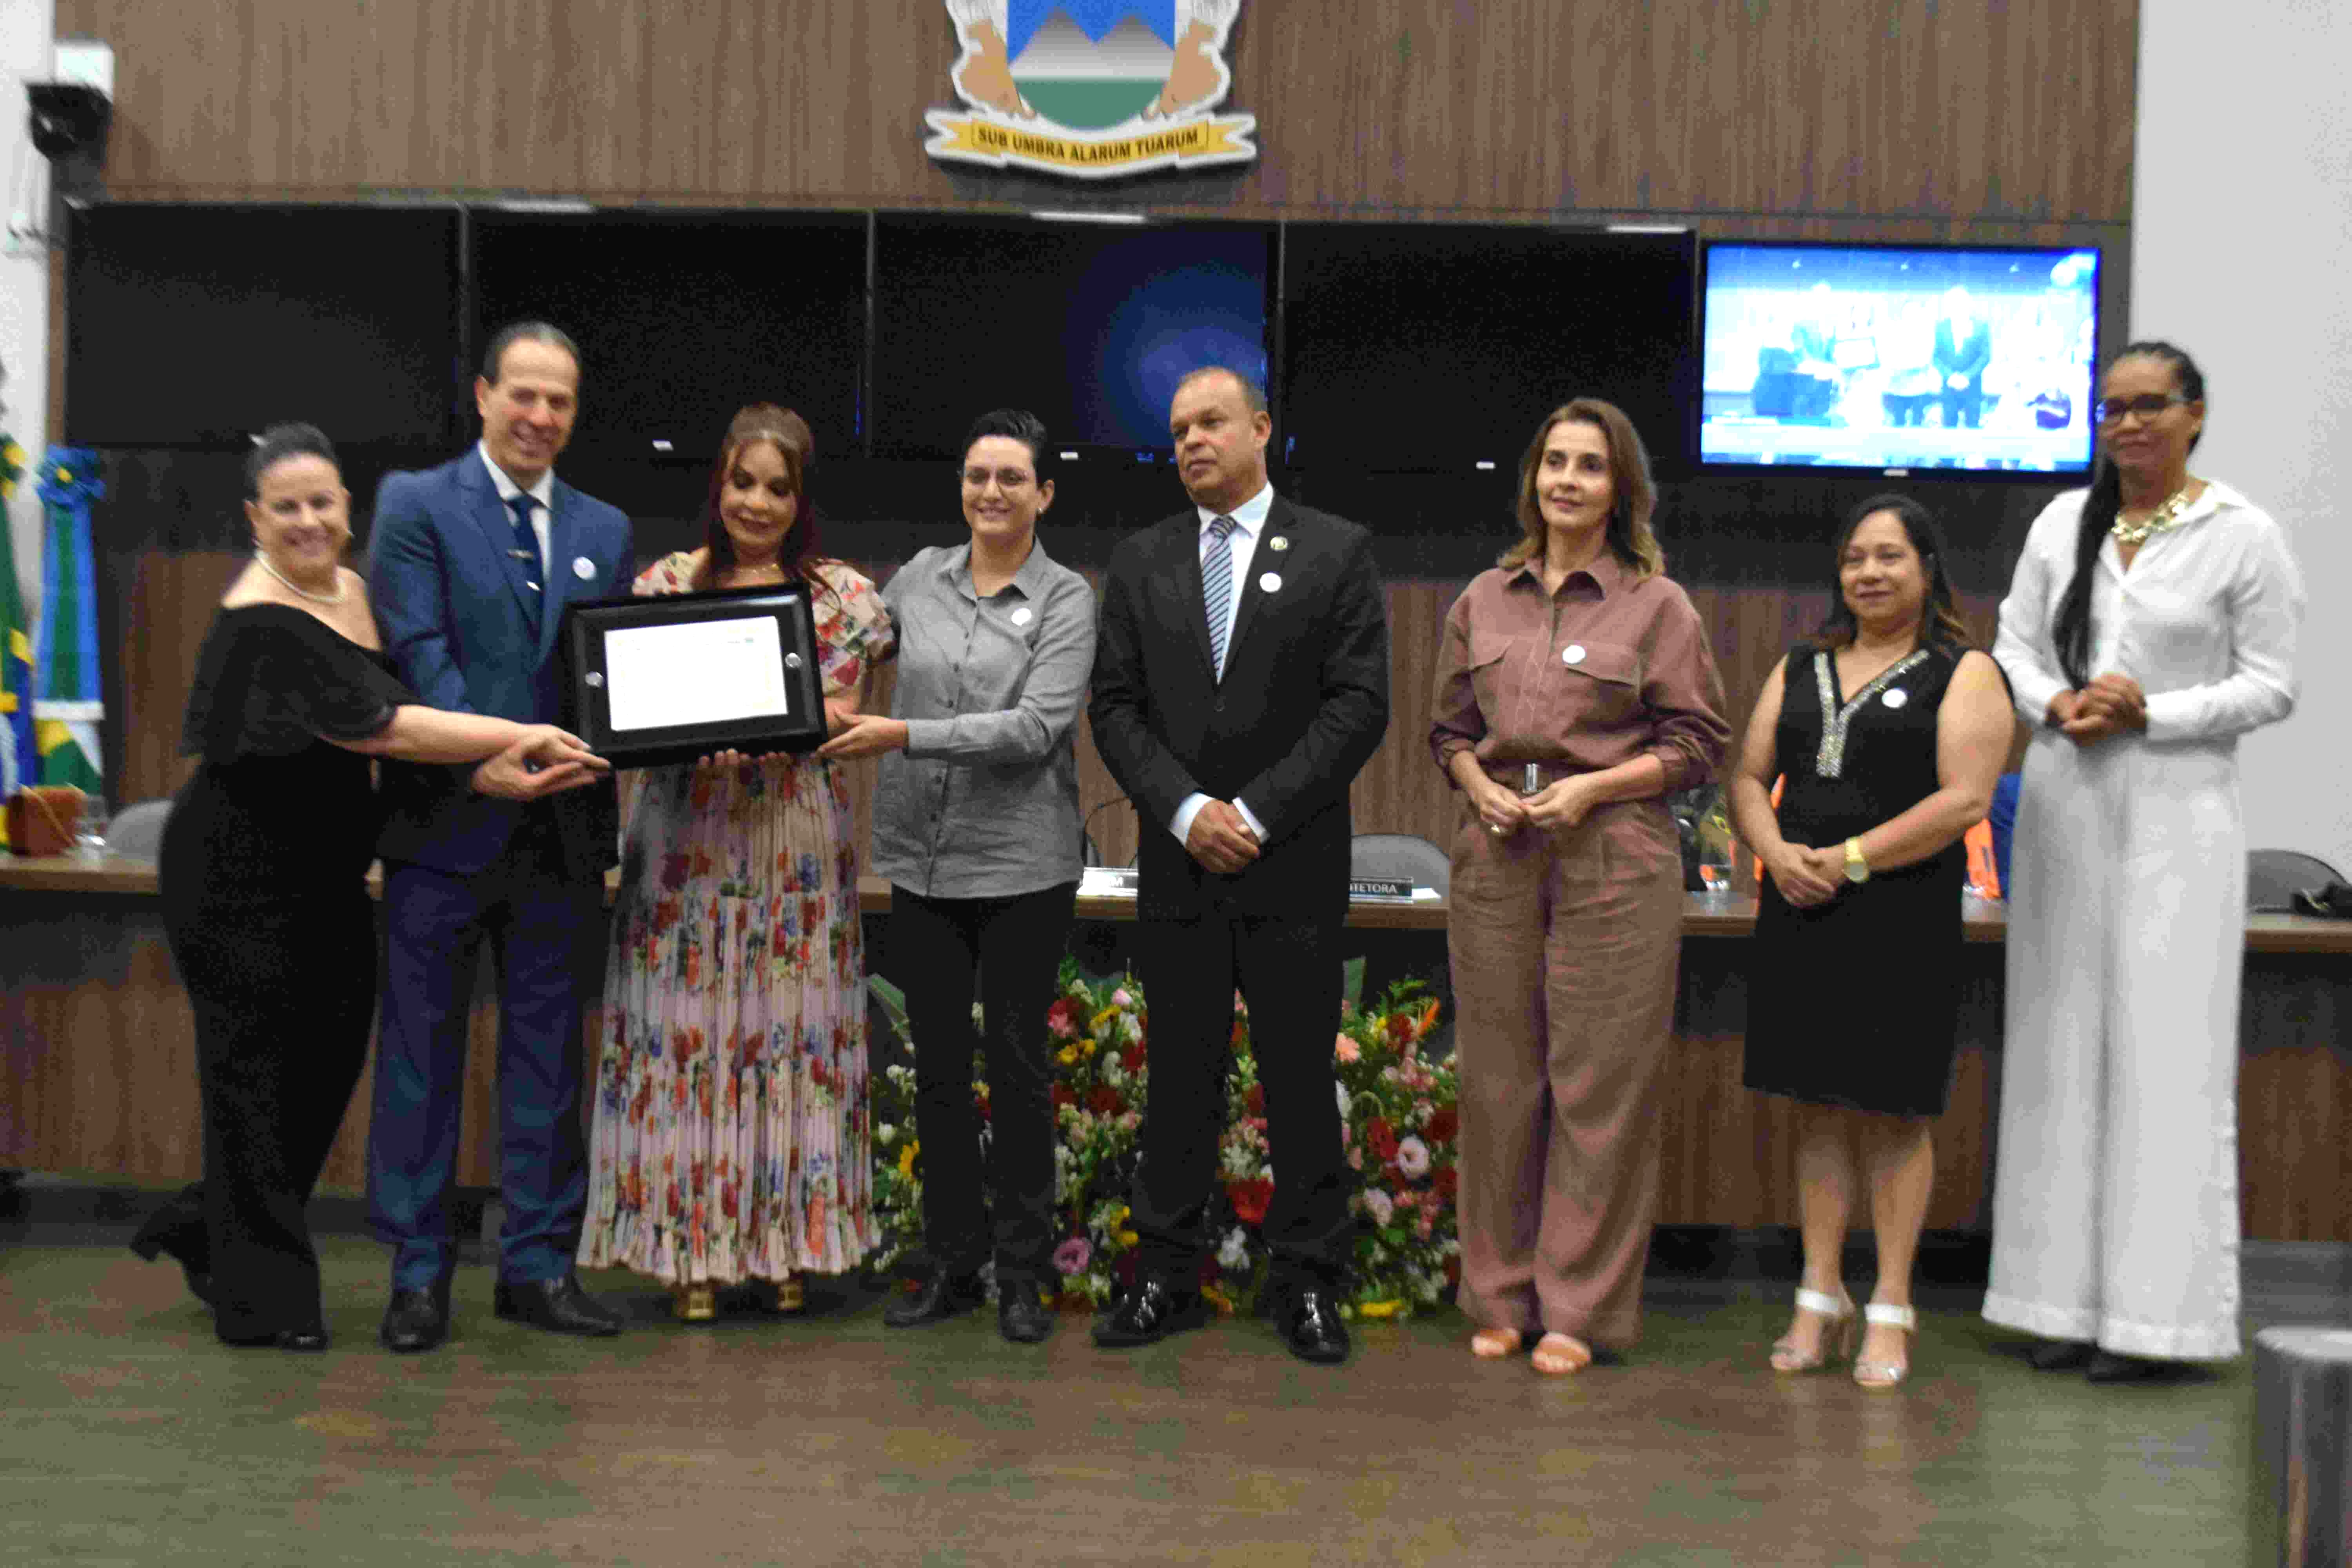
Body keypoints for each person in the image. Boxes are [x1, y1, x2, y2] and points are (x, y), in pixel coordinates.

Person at [130, 424, 607, 1350]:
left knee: (325, 1073)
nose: (309, 521)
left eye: (323, 502)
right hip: (237, 881)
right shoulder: (261, 616)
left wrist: (486, 764)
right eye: (287, 506)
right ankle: (263, 1302)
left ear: (349, 507)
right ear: (254, 519)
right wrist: (517, 740)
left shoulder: (354, 589)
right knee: (255, 1083)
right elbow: (385, 728)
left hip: (332, 875)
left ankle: (206, 1224)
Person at [1984, 341, 2304, 1380]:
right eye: (2111, 408)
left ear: (2195, 414)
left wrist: (2151, 710)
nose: (2127, 426)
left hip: (2181, 811)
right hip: (2068, 798)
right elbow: (2014, 648)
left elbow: (2270, 685)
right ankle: (2055, 1306)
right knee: (2056, 1055)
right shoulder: (2060, 525)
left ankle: (2158, 1327)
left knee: (2166, 1065)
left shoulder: (2241, 535)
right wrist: (2056, 703)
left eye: (2149, 407)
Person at [1087, 365, 1389, 1366]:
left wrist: (1252, 813)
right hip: (1181, 870)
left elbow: (1358, 705)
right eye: (1177, 430)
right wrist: (1184, 811)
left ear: (1263, 427)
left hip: (1290, 863)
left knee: (1301, 1084)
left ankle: (1306, 1284)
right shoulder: (1140, 561)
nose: (1191, 442)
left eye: (1210, 422)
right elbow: (1115, 710)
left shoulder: (1337, 551)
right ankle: (1165, 1277)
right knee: (1177, 1081)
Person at [1428, 399, 1730, 1375]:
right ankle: (1500, 1294)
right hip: (1497, 853)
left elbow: (1696, 745)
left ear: (1619, 489)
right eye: (1553, 462)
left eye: (1588, 466)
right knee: (1499, 1082)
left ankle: (1579, 1309)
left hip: (1614, 855)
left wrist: (1592, 789)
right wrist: (1479, 789)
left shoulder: (1658, 604)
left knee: (1598, 1086)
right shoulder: (1483, 597)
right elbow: (1450, 734)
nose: (1566, 479)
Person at [578, 405, 893, 1323]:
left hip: (790, 852)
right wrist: (696, 738)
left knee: (788, 1043)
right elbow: (628, 717)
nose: (757, 501)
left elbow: (839, 713)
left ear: (802, 499)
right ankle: (690, 1254)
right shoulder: (665, 587)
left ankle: (788, 1244)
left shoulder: (846, 598)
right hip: (687, 851)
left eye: (778, 486)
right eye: (742, 480)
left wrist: (780, 723)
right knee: (691, 1043)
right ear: (718, 485)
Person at [365, 322, 636, 1353]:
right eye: (523, 395)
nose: (540, 417)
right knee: (421, 1060)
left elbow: (604, 676)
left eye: (559, 402)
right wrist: (473, 756)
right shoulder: (414, 504)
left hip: (559, 838)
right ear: (483, 395)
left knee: (547, 1064)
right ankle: (419, 1276)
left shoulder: (605, 526)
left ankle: (537, 1268)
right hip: (442, 827)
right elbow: (416, 647)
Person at [821, 408, 1094, 1345]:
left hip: (1023, 867)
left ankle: (1023, 1274)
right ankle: (951, 1263)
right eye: (978, 474)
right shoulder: (919, 578)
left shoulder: (1066, 599)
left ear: (1044, 493)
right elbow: (847, 647)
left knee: (1016, 1072)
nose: (990, 492)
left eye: (1011, 478)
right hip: (923, 863)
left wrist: (900, 734)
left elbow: (1032, 731)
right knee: (935, 1071)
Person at [1729, 495, 2012, 1389]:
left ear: (1927, 569)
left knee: (1893, 1115)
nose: (1870, 573)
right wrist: (1773, 851)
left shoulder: (1963, 670)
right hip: (1801, 908)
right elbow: (1746, 773)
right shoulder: (1802, 661)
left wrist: (1849, 859)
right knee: (1815, 1109)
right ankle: (1818, 1295)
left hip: (1899, 915)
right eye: (1855, 557)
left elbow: (1966, 797)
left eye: (1891, 556)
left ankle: (1891, 1303)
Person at [1932, 287, 1993, 430]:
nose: (1958, 306)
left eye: (1962, 302)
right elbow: (1936, 357)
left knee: (1973, 427)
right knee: (1949, 428)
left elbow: (1985, 356)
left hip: (1972, 385)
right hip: (1949, 385)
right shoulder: (1941, 328)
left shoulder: (1981, 327)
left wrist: (1967, 377)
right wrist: (1950, 377)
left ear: (1969, 304)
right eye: (1954, 303)